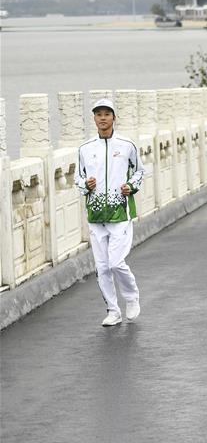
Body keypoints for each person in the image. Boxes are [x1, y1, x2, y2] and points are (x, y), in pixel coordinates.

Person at [74, 99, 143, 326]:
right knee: (102, 267)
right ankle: (113, 310)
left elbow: (139, 172)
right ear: (94, 118)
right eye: (98, 114)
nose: (103, 118)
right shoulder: (84, 149)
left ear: (114, 117)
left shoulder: (126, 145)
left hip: (119, 213)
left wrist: (130, 187)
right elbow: (77, 179)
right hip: (95, 216)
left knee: (115, 263)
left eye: (107, 114)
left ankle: (131, 298)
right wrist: (86, 185)